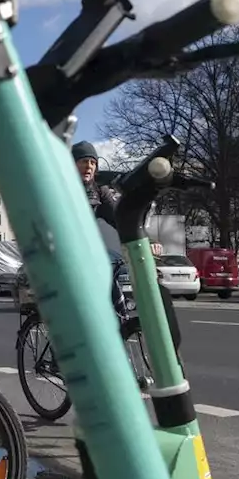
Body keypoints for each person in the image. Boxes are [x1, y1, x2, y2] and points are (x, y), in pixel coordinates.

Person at [72, 140, 182, 353]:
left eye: (93, 162)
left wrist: (147, 242)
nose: (89, 166)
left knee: (119, 269)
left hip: (89, 249)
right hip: (64, 248)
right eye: (84, 161)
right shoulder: (62, 187)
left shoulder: (98, 190)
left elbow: (121, 219)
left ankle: (117, 328)